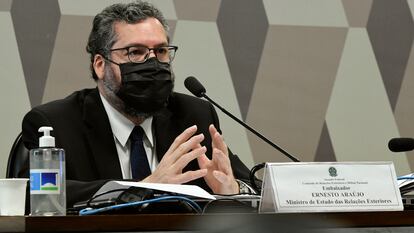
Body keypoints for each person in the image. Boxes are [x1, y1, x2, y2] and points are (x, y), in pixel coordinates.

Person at [20, 1, 253, 208]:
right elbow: (32, 195)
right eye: (135, 52)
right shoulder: (56, 122)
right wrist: (144, 187)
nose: (152, 62)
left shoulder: (193, 115)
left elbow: (253, 187)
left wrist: (233, 191)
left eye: (161, 51)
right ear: (100, 65)